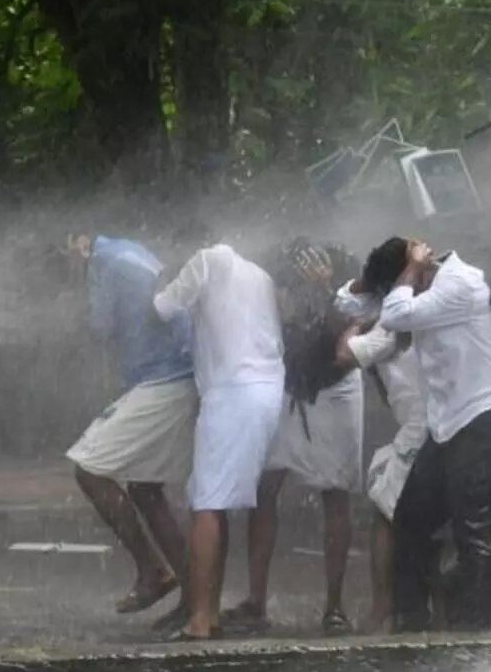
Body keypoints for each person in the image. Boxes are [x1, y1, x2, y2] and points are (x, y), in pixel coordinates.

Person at [337, 237, 491, 631]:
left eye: (406, 278)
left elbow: (398, 314)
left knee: (471, 523)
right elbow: (347, 303)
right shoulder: (417, 288)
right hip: (449, 422)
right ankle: (412, 622)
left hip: (484, 413)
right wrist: (379, 278)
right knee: (409, 516)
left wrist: (411, 268)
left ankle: (485, 630)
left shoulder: (460, 283)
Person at [226, 240, 366, 637]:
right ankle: (256, 601)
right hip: (288, 386)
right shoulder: (275, 267)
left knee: (336, 492)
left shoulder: (347, 272)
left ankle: (334, 607)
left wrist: (325, 290)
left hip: (334, 388)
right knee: (264, 486)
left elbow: (349, 335)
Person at [152, 240, 285, 641]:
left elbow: (162, 308)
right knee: (217, 502)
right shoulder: (257, 273)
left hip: (233, 392)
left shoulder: (206, 259)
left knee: (206, 504)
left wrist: (159, 284)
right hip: (266, 389)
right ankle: (209, 614)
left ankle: (200, 621)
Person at [62, 233, 196, 619]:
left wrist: (78, 292)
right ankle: (193, 595)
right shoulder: (129, 251)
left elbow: (99, 328)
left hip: (163, 377)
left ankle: (154, 569)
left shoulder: (103, 263)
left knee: (88, 469)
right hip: (176, 373)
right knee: (144, 487)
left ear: (79, 241)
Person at [337, 318, 429, 634]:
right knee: (435, 527)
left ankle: (383, 608)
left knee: (385, 516)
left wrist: (357, 324)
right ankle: (432, 612)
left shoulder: (386, 329)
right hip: (447, 425)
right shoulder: (431, 313)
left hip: (419, 432)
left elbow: (345, 354)